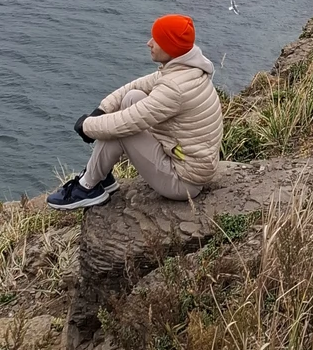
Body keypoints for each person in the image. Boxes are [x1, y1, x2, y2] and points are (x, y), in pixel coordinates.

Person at [47, 13, 223, 210]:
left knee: (123, 129)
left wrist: (86, 126)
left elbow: (125, 122)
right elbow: (135, 86)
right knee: (132, 97)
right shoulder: (185, 69)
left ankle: (87, 187)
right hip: (185, 161)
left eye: (156, 40)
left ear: (171, 47)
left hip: (183, 182)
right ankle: (102, 177)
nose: (149, 43)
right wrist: (101, 109)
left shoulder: (175, 88)